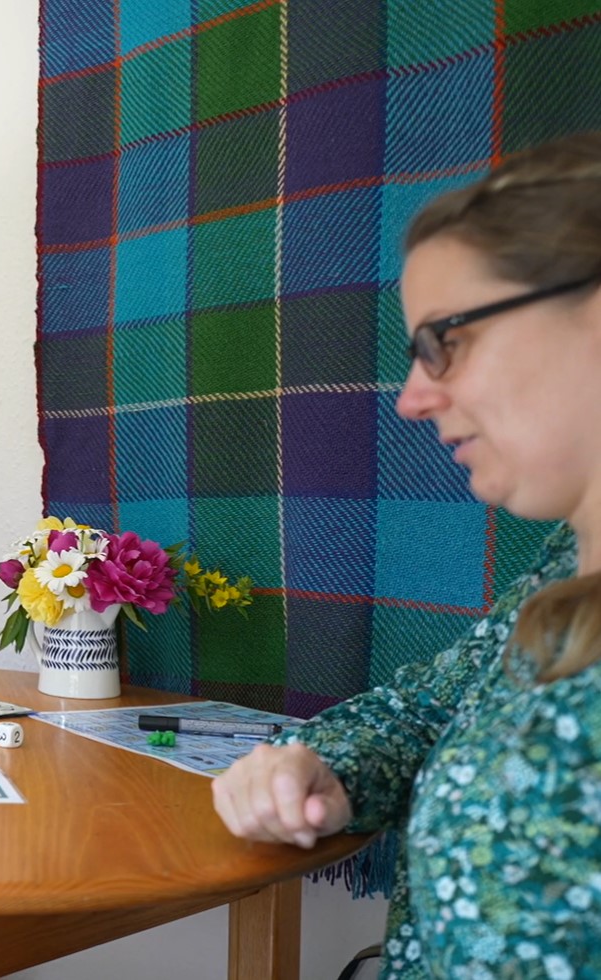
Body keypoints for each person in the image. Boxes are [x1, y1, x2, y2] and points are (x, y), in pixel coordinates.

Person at [211, 131, 601, 976]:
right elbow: (428, 711)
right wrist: (320, 767)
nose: (411, 399)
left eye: (441, 342)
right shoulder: (557, 566)